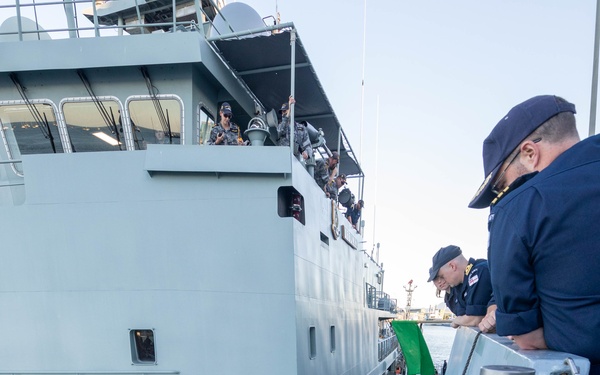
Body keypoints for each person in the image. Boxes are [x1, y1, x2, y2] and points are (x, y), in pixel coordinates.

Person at [468, 95, 600, 369]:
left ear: (529, 153)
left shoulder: (519, 207)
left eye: (502, 183)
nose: (502, 194)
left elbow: (525, 338)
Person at [427, 245, 493, 328]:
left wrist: (456, 321)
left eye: (442, 276)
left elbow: (475, 319)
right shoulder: (463, 283)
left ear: (452, 266)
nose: (442, 280)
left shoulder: (479, 273)